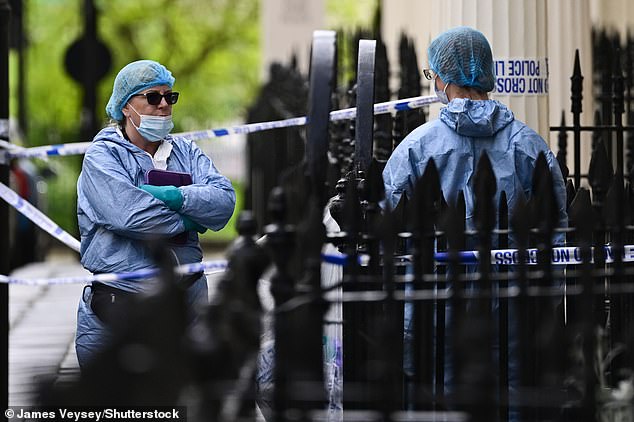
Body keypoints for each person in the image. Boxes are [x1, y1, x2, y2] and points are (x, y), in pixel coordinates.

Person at [382, 27, 567, 416]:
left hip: (436, 303)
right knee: (512, 401)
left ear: (443, 78)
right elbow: (558, 227)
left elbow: (378, 221)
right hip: (514, 305)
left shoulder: (417, 146)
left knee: (438, 400)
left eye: (434, 75)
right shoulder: (528, 144)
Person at [75, 60, 236, 367]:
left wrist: (173, 196)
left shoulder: (186, 152)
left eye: (169, 97)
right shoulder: (102, 156)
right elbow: (130, 216)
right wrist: (191, 218)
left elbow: (224, 201)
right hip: (117, 308)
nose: (164, 105)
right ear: (125, 107)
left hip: (188, 306)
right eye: (152, 97)